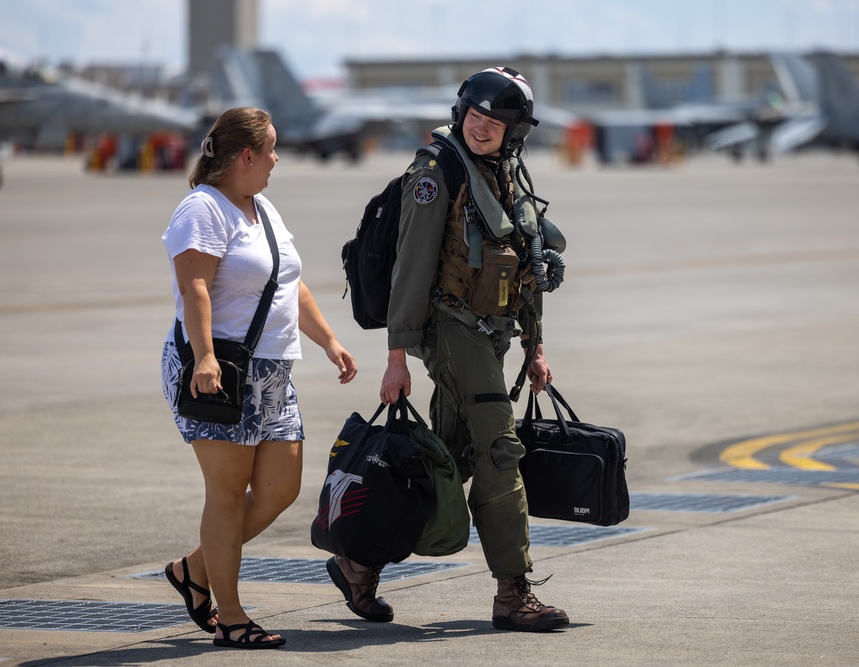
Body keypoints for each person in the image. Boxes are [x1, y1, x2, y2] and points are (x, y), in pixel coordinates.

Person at [326, 67, 569, 632]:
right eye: (475, 116)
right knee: (501, 451)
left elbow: (526, 265)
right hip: (451, 329)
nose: (482, 127)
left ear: (516, 130)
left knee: (448, 459)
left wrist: (535, 347)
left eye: (496, 121)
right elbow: (411, 267)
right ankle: (513, 592)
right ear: (462, 114)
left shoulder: (504, 172)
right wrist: (396, 357)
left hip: (492, 334)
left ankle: (359, 562)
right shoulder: (437, 172)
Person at [160, 107, 357, 649]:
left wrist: (329, 342)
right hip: (218, 369)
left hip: (271, 369)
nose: (277, 158)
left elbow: (289, 285)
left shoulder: (262, 208)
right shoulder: (202, 210)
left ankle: (194, 569)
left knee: (280, 487)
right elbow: (195, 288)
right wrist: (203, 358)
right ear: (245, 156)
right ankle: (230, 615)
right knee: (227, 494)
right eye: (271, 149)